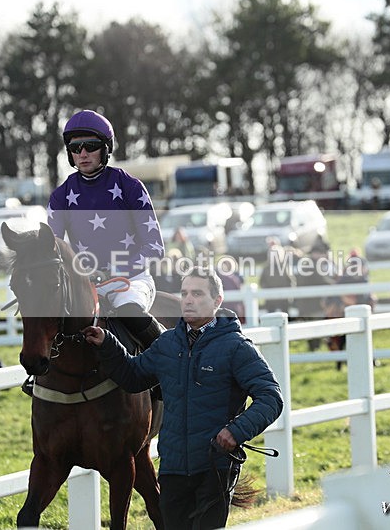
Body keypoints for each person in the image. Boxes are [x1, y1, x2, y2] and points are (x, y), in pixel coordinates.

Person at [82, 267, 283, 530]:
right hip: (172, 469)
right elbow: (133, 377)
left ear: (217, 301)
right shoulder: (167, 344)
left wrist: (235, 432)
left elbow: (271, 397)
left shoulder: (236, 347)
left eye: (197, 293)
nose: (188, 299)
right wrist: (108, 344)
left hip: (215, 466)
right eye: (185, 292)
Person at [48, 109, 165, 349]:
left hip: (131, 281)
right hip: (86, 285)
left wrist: (114, 269)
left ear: (105, 148)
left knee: (128, 311)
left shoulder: (130, 186)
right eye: (75, 148)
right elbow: (52, 249)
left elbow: (155, 247)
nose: (82, 153)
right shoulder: (60, 196)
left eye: (90, 146)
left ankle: (171, 361)